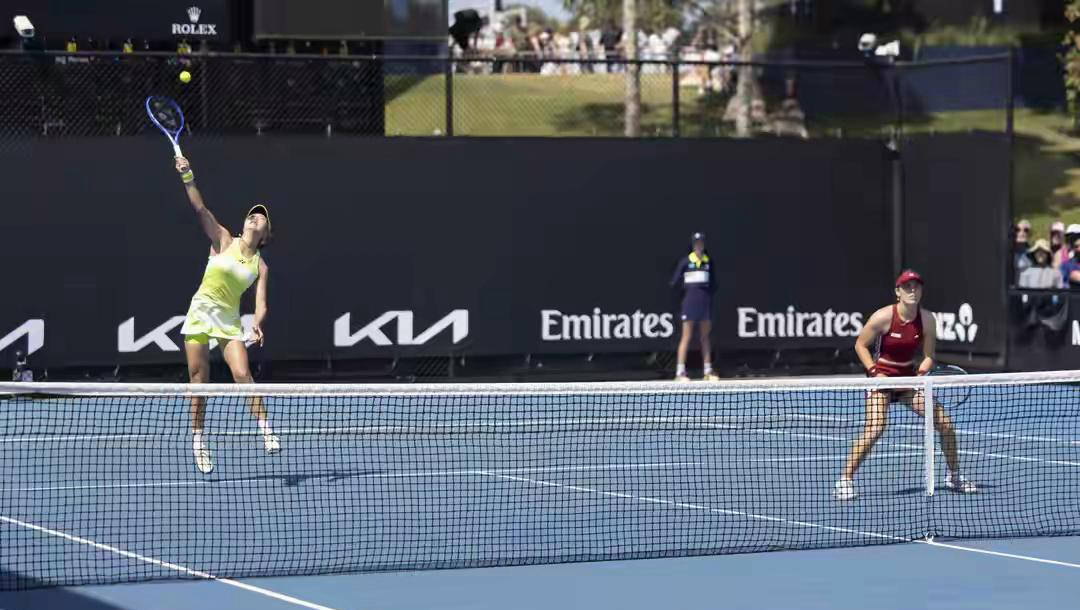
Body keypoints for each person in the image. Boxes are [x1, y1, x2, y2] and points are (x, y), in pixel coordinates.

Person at [174, 155, 279, 475]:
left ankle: (266, 431)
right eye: (252, 215)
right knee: (198, 379)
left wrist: (257, 324)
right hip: (200, 312)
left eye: (261, 218)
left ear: (265, 234)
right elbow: (200, 209)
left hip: (229, 321)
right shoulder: (222, 239)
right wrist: (188, 176)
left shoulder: (260, 266)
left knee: (242, 374)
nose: (255, 218)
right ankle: (198, 440)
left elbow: (261, 304)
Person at [834, 270, 976, 501]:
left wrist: (920, 374)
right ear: (897, 292)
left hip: (908, 382)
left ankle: (954, 476)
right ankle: (845, 480)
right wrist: (874, 372)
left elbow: (928, 356)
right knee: (875, 428)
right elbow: (860, 345)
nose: (912, 290)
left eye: (916, 286)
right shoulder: (883, 317)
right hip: (881, 380)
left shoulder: (927, 320)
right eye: (907, 287)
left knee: (945, 424)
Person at [670, 232, 718, 381]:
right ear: (693, 245)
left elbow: (714, 284)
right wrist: (687, 294)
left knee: (705, 337)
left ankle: (708, 371)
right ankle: (680, 373)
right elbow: (675, 282)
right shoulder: (685, 262)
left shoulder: (708, 262)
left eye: (701, 243)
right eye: (696, 243)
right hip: (689, 304)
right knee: (686, 336)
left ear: (703, 245)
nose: (699, 246)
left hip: (704, 304)